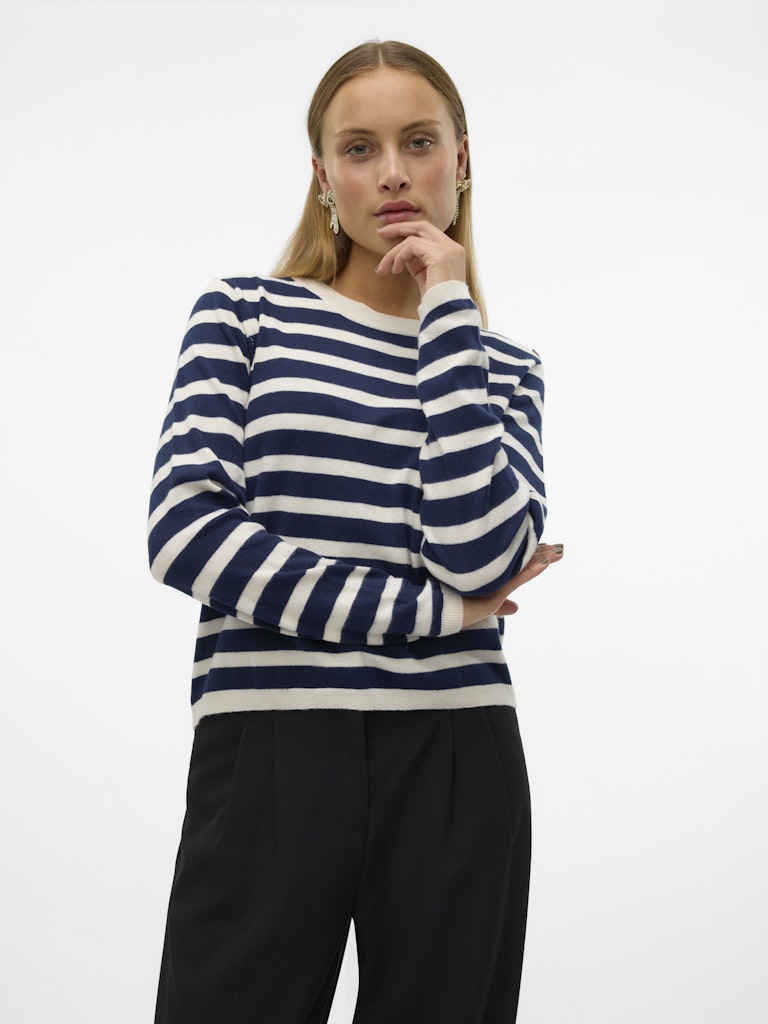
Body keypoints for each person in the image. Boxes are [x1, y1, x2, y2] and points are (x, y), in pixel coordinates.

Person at [148, 39, 563, 1024]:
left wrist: (449, 315)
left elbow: (481, 554)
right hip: (270, 742)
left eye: (419, 143)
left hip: (459, 753)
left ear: (461, 159)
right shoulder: (243, 317)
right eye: (360, 149)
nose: (394, 174)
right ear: (323, 175)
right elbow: (185, 534)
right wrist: (435, 614)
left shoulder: (502, 366)